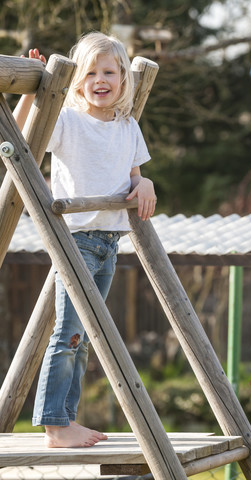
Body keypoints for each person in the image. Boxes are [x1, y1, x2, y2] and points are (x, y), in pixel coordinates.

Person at [14, 33, 156, 448]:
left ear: (124, 80)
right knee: (69, 334)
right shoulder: (67, 120)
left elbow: (134, 176)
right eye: (90, 72)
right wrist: (38, 86)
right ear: (76, 81)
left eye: (109, 72)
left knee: (84, 336)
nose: (100, 79)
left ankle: (65, 420)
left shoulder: (129, 126)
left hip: (110, 242)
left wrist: (144, 182)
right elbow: (24, 135)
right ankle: (55, 425)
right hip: (76, 239)